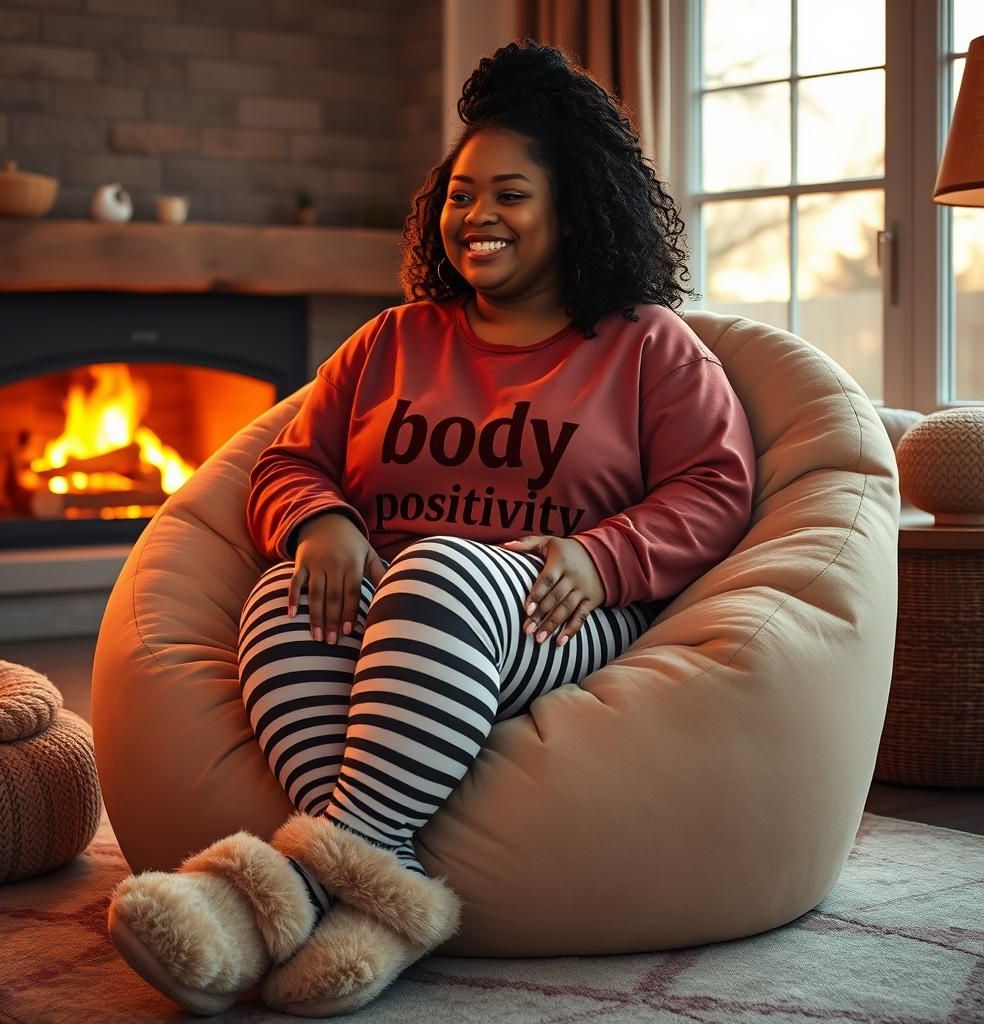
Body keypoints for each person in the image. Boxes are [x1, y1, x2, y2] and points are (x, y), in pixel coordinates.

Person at [107, 38, 756, 1018]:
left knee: (437, 572)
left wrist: (600, 553)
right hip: (392, 603)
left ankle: (260, 898)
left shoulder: (646, 346)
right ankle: (381, 890)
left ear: (572, 206)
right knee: (285, 591)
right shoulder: (391, 340)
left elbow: (713, 485)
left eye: (509, 194)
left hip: (547, 607)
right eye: (458, 194)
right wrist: (319, 521)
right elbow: (284, 460)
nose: (475, 216)